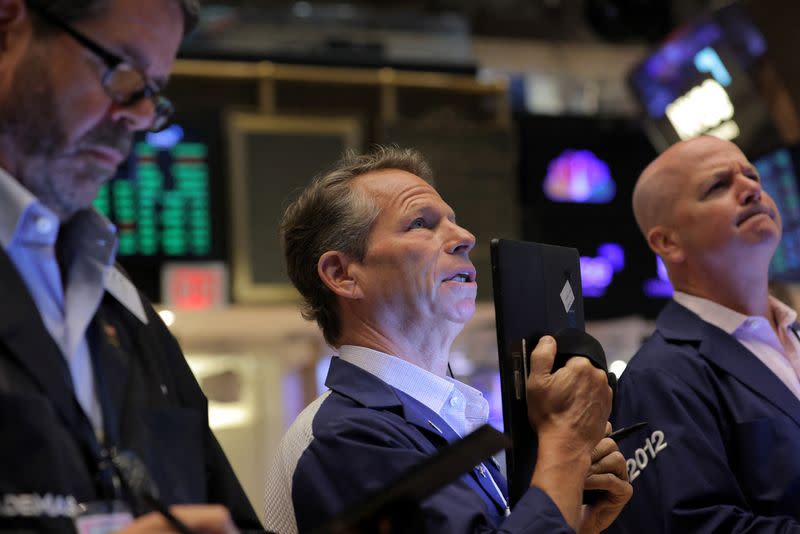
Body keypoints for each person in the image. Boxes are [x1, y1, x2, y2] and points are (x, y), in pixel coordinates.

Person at [264, 146, 631, 533]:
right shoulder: (344, 437)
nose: (466, 237)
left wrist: (575, 522)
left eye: (453, 221)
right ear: (342, 274)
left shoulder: (436, 424)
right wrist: (566, 444)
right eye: (420, 223)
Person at [0, 0, 262, 532]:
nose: (142, 115)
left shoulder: (124, 306)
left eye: (153, 91)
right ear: (9, 28)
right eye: (122, 71)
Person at [609, 135, 800, 532]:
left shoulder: (794, 333)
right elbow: (698, 526)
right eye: (719, 185)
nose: (752, 188)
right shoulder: (659, 377)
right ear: (667, 241)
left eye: (750, 175)